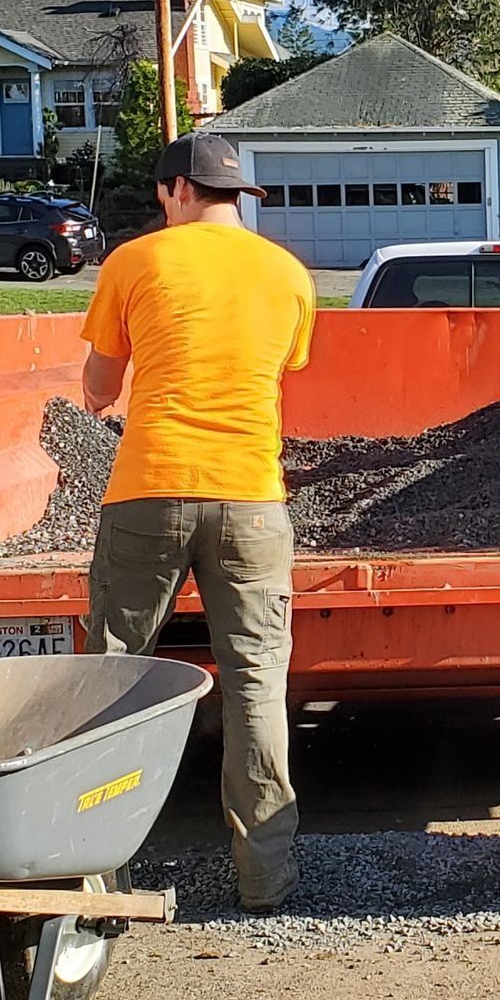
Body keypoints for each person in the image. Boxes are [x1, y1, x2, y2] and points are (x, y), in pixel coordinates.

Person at [81, 132, 316, 912]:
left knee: (115, 678)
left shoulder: (135, 263)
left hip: (149, 488)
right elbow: (280, 372)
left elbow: (98, 389)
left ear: (172, 191)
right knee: (255, 684)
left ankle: (95, 876)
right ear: (236, 195)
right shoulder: (287, 274)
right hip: (252, 497)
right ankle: (266, 881)